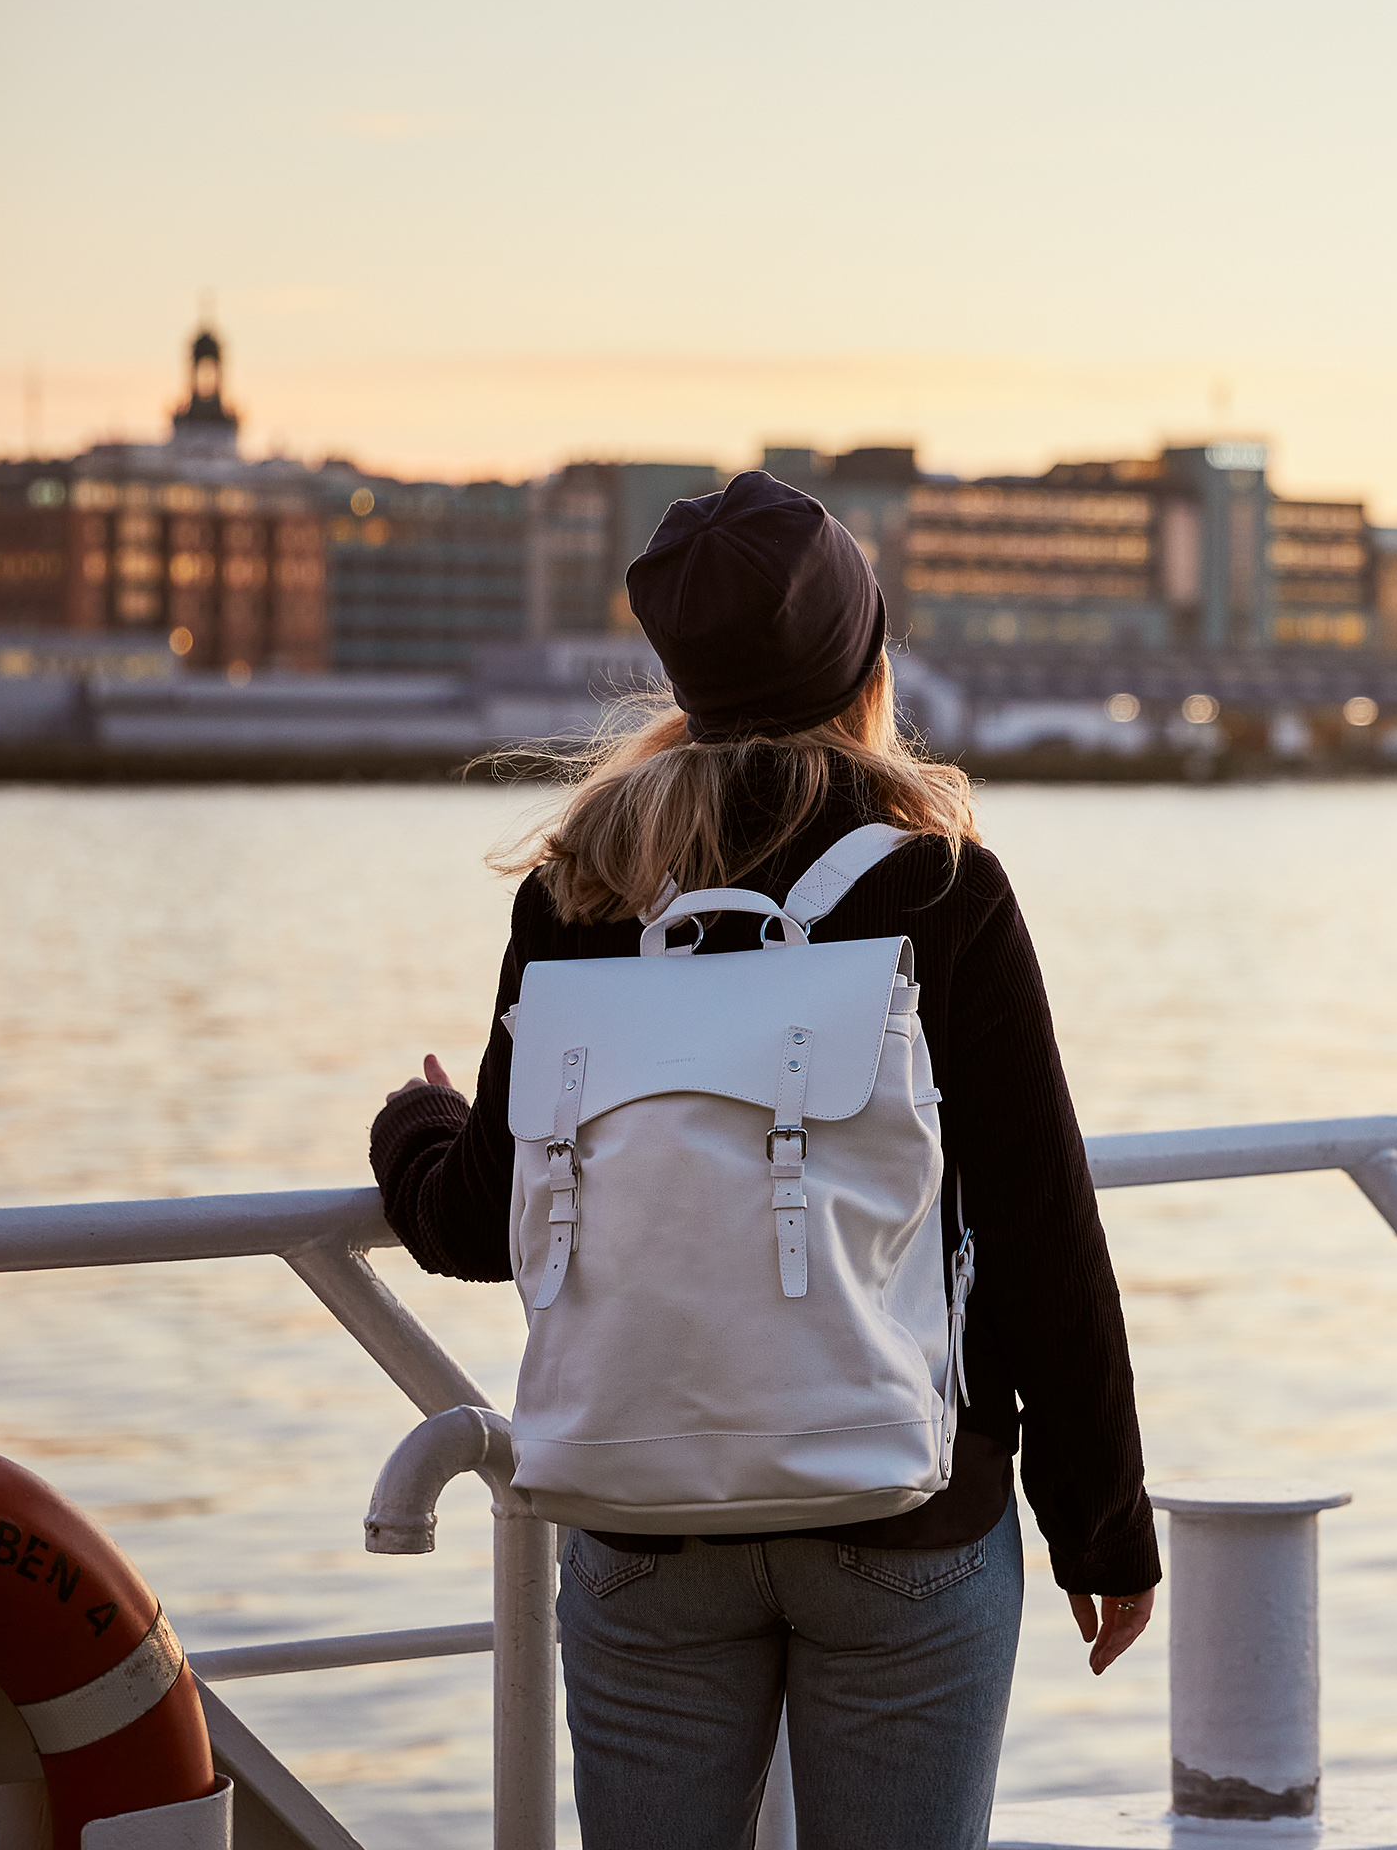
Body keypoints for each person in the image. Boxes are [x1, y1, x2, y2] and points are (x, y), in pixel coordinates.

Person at [368, 470, 1157, 1850]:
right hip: (905, 1503)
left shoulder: (583, 885)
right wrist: (1100, 1530)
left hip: (643, 1508)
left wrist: (411, 1124)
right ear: (864, 656)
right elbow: (1040, 1229)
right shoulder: (937, 881)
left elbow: (483, 1222)